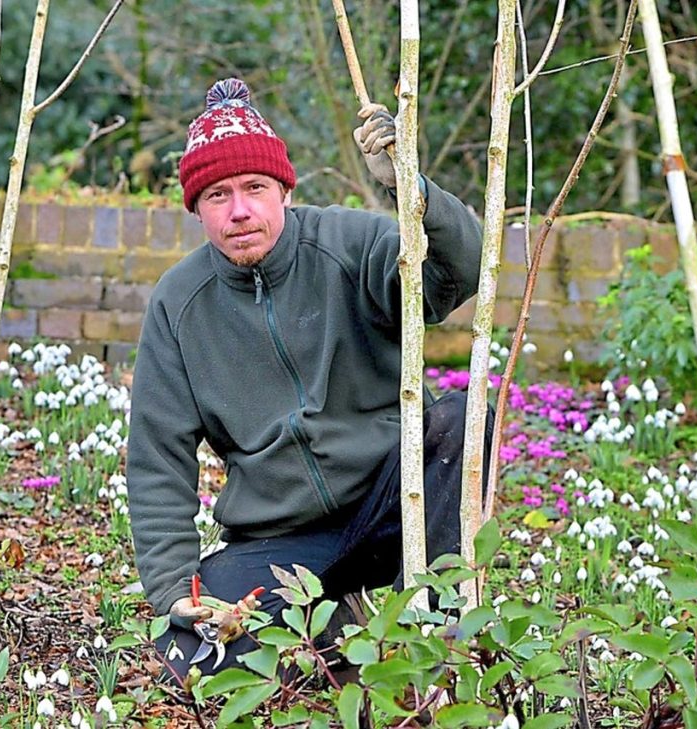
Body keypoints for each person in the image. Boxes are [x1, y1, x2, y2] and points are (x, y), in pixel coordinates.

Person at [126, 78, 490, 679]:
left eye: (255, 188)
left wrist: (413, 191)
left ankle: (432, 615)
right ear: (196, 209)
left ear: (285, 191)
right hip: (283, 539)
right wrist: (173, 590)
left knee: (461, 416)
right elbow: (157, 460)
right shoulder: (178, 305)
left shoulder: (353, 244)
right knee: (191, 657)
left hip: (394, 503)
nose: (239, 211)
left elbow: (462, 270)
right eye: (217, 195)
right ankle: (337, 632)